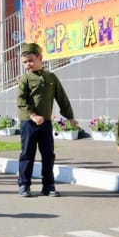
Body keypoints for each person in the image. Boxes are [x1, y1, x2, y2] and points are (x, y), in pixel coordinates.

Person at [17, 42, 78, 197]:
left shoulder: (51, 77)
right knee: (27, 155)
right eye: (24, 62)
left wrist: (70, 116)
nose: (27, 64)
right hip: (28, 123)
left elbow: (62, 98)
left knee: (48, 155)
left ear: (40, 58)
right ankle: (24, 185)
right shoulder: (25, 79)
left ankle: (48, 186)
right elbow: (21, 101)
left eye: (30, 60)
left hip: (46, 123)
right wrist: (33, 115)